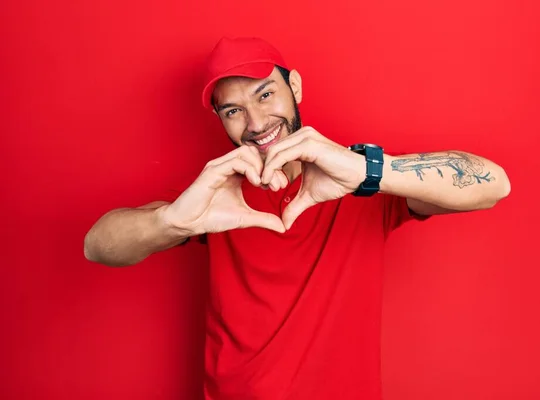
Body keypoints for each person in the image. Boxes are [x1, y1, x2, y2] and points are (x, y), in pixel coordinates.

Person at [84, 37, 511, 400]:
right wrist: (174, 222)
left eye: (265, 94)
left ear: (296, 87)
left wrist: (368, 172)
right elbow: (98, 246)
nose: (255, 122)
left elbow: (493, 185)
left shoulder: (359, 181)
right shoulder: (216, 194)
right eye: (232, 110)